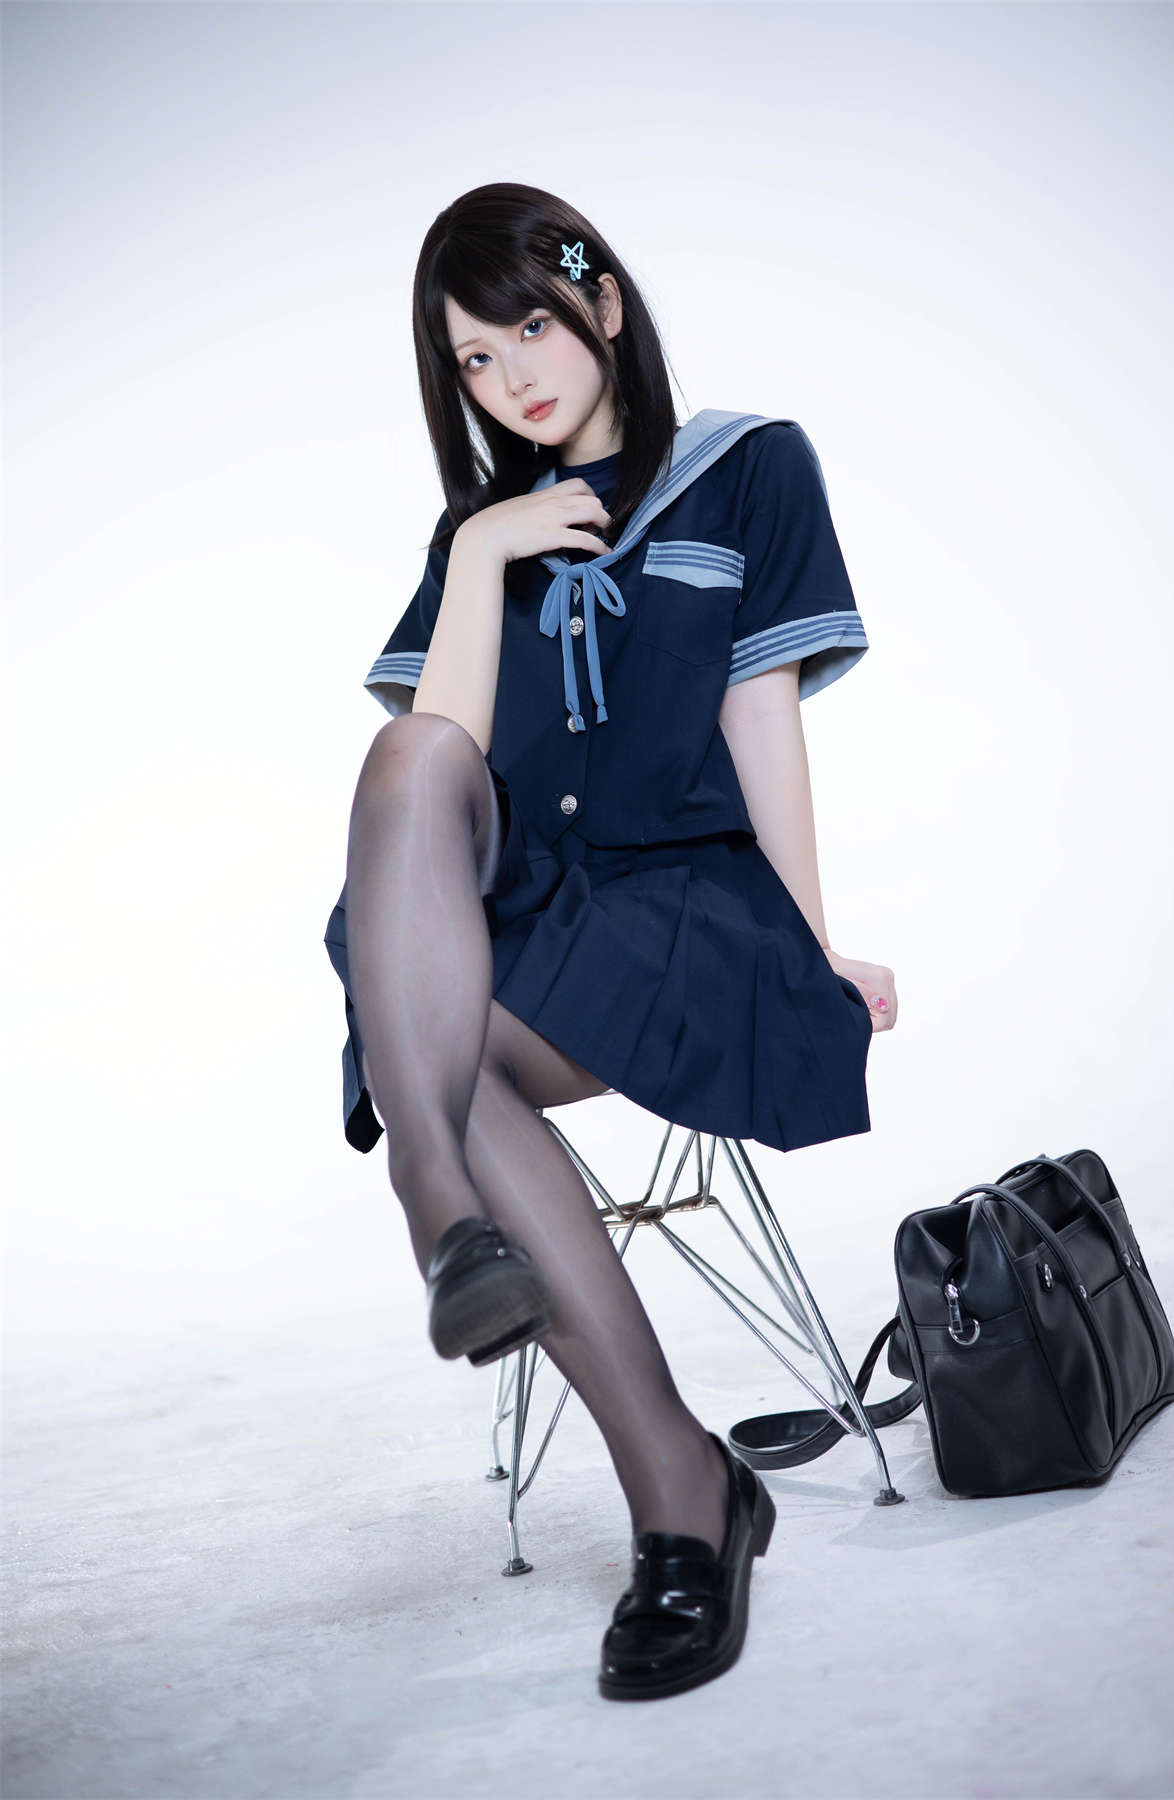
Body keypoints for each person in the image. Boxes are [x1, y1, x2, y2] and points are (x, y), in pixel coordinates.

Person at [322, 181, 898, 1702]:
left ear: (603, 303)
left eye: (529, 326)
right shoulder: (477, 529)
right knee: (404, 766)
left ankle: (459, 1232)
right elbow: (442, 760)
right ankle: (679, 1481)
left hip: (684, 914)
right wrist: (481, 555)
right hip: (514, 916)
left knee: (437, 1062)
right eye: (473, 359)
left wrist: (816, 944)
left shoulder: (748, 467)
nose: (510, 376)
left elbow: (761, 720)